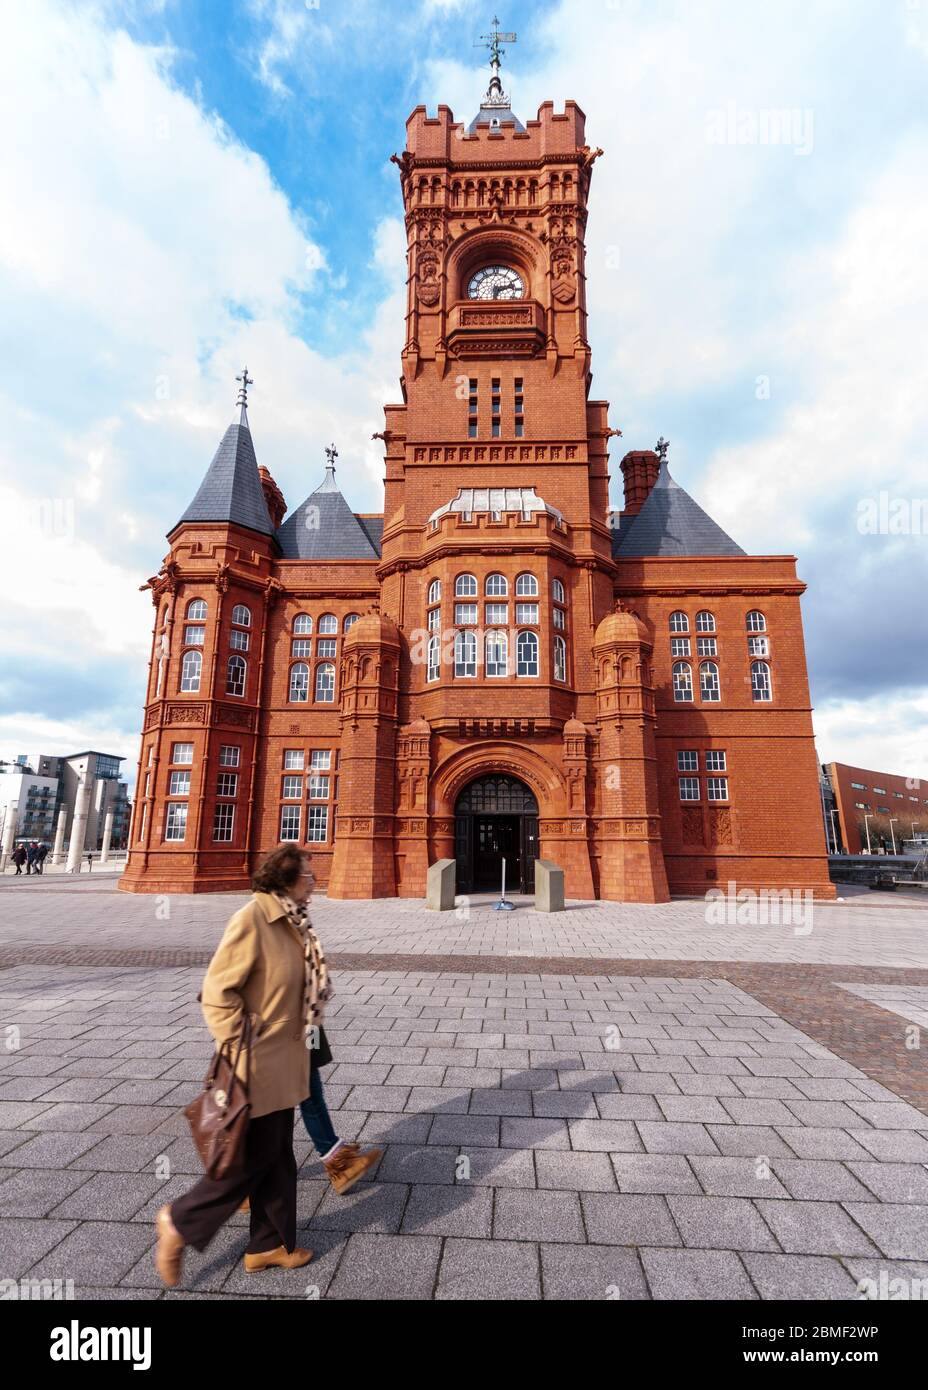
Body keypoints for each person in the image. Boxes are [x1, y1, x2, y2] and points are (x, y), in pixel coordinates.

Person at [154, 845, 377, 1287]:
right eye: (309, 875)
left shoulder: (294, 923)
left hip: (284, 1062)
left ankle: (267, 1247)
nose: (315, 881)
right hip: (256, 1063)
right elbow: (218, 992)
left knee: (277, 1157)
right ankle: (179, 1220)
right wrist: (243, 1043)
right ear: (286, 880)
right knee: (251, 1160)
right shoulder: (253, 919)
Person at [296, 860, 382, 1194]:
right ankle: (234, 1186)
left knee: (309, 1086)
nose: (315, 882)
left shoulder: (296, 916)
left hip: (306, 1023)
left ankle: (337, 1159)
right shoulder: (260, 920)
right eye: (308, 877)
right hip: (273, 1035)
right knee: (266, 1111)